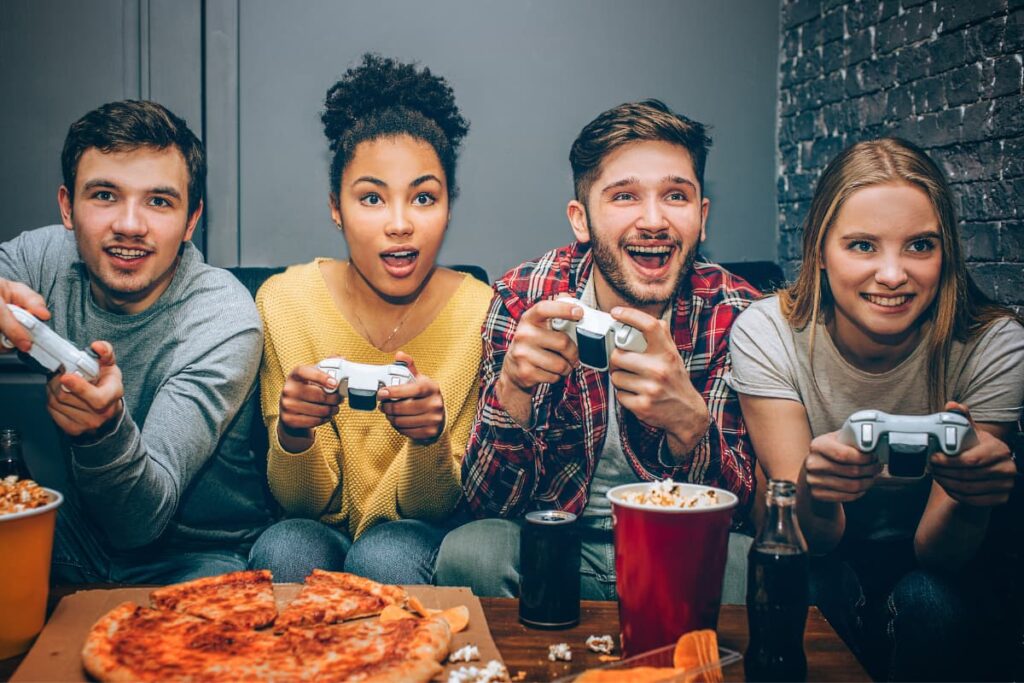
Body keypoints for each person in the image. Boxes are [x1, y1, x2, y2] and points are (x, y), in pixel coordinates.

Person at [434, 100, 759, 601]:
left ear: (702, 215)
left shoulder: (735, 312)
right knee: (473, 549)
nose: (653, 221)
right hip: (553, 546)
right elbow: (485, 505)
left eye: (676, 195)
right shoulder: (525, 297)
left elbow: (738, 516)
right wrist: (513, 392)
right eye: (624, 196)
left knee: (740, 562)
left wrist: (689, 423)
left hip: (675, 552)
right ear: (581, 220)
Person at [727, 137, 1024, 680]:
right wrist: (813, 488)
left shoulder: (993, 344)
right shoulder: (767, 332)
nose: (892, 275)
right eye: (863, 246)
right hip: (823, 553)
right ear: (820, 250)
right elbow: (810, 540)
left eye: (919, 246)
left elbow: (941, 557)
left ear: (946, 252)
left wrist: (970, 496)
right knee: (813, 586)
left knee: (934, 602)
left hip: (931, 565)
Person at [0, 100, 274, 583]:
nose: (130, 224)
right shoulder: (42, 257)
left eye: (159, 201)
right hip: (77, 536)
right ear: (67, 207)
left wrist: (103, 432)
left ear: (191, 221)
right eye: (105, 195)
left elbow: (140, 522)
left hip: (199, 555)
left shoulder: (222, 316)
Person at [248, 54, 493, 584]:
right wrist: (293, 433)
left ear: (449, 206)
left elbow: (433, 506)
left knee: (387, 555)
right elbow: (301, 502)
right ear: (336, 206)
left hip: (416, 529)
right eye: (372, 198)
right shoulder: (285, 302)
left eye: (423, 197)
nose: (400, 224)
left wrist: (429, 443)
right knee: (285, 546)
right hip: (315, 523)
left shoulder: (482, 313)